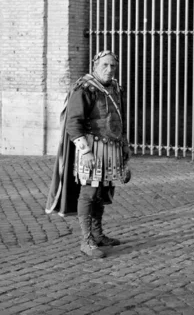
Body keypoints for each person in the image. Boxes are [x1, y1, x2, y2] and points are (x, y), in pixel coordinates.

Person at [45, 50, 131, 259]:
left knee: (102, 193)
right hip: (92, 149)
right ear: (95, 65)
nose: (109, 69)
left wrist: (125, 147)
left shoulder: (116, 87)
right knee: (90, 193)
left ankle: (98, 234)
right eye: (105, 65)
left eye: (113, 65)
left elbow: (120, 119)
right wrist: (85, 151)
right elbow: (73, 123)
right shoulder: (85, 88)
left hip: (112, 149)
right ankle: (87, 240)